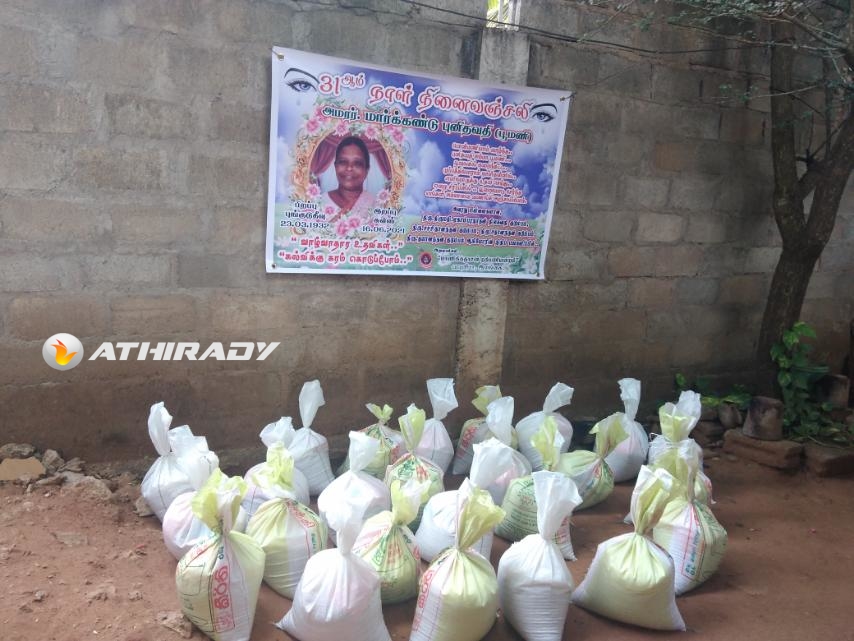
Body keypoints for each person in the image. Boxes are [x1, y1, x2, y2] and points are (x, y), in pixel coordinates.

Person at [320, 136, 376, 226]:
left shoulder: (376, 205)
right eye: (343, 162)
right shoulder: (320, 202)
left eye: (357, 163)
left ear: (366, 170)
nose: (349, 168)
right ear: (335, 166)